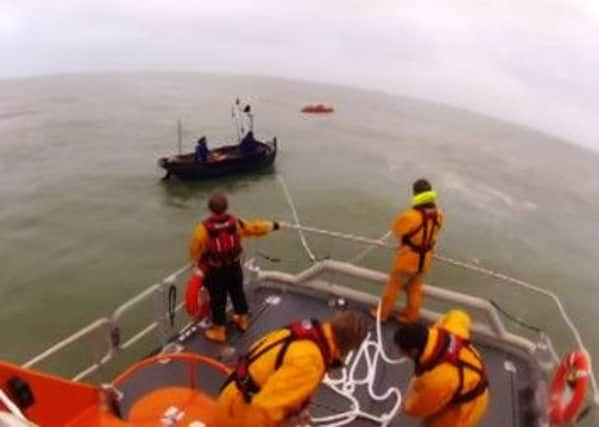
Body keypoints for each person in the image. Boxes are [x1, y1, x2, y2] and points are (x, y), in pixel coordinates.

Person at [215, 311, 368, 427]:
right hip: (241, 415)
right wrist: (289, 421)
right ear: (348, 348)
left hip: (234, 396)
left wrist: (296, 410)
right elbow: (263, 410)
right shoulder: (310, 362)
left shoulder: (307, 335)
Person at [188, 193, 284, 343]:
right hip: (234, 266)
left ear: (210, 209)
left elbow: (195, 249)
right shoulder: (236, 223)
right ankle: (242, 318)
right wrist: (276, 225)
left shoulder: (202, 229)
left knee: (218, 299)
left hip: (215, 270)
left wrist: (196, 263)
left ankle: (219, 330)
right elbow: (255, 228)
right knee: (237, 292)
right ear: (226, 207)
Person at [394, 310, 489, 427]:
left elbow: (419, 408)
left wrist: (407, 405)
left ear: (414, 351)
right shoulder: (450, 329)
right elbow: (459, 315)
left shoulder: (436, 380)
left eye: (402, 351)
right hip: (472, 381)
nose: (400, 353)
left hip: (466, 409)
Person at [371, 178, 443, 323]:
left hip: (409, 258)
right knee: (415, 289)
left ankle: (382, 315)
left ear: (415, 194)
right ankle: (410, 317)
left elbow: (397, 229)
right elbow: (434, 233)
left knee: (393, 287)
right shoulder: (439, 214)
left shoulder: (410, 216)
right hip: (426, 258)